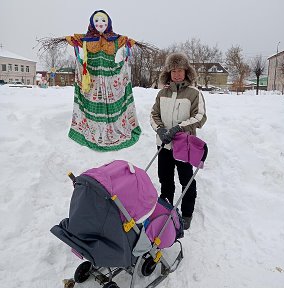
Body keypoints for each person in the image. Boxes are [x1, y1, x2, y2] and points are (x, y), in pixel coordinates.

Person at [64, 10, 142, 151]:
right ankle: (93, 131)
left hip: (110, 78)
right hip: (91, 79)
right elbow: (75, 41)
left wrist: (128, 45)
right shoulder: (85, 39)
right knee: (90, 103)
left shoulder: (116, 39)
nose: (100, 23)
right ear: (92, 23)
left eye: (103, 21)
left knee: (114, 103)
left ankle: (114, 129)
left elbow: (125, 40)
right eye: (97, 21)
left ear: (109, 23)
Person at [150, 52, 207, 230]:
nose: (177, 74)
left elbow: (200, 116)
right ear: (169, 73)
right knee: (165, 179)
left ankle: (187, 213)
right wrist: (160, 128)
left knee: (186, 180)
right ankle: (166, 209)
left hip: (184, 146)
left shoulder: (193, 93)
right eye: (173, 71)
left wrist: (179, 128)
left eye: (180, 70)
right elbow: (154, 114)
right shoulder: (162, 93)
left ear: (186, 71)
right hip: (164, 145)